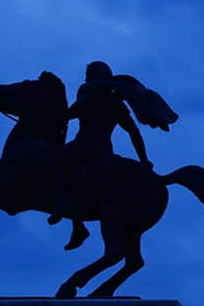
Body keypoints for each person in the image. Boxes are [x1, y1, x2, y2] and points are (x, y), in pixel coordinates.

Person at [48, 60, 175, 250]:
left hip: (83, 145)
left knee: (52, 163)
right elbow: (133, 132)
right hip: (104, 151)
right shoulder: (116, 102)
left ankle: (72, 218)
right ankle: (77, 224)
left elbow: (73, 112)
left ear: (91, 75)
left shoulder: (88, 89)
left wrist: (52, 116)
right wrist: (144, 159)